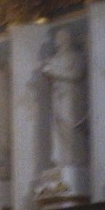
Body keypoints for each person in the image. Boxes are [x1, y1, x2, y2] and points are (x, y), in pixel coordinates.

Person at [41, 28, 87, 167]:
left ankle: (75, 158)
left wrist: (55, 73)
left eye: (61, 38)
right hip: (58, 97)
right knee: (58, 127)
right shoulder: (55, 58)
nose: (58, 41)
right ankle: (63, 159)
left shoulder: (75, 56)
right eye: (58, 38)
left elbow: (77, 74)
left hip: (71, 96)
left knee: (70, 125)